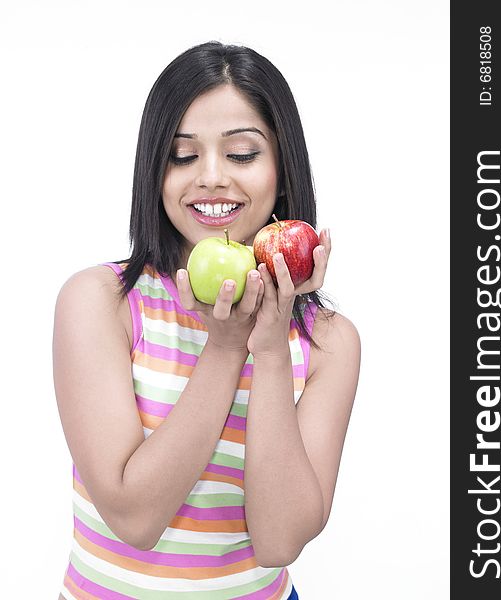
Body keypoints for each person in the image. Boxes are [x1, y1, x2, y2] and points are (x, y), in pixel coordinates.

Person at [54, 40, 360, 600]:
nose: (212, 177)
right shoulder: (101, 302)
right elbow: (135, 519)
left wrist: (267, 352)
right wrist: (223, 349)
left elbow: (278, 542)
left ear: (282, 170)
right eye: (182, 155)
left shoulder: (327, 342)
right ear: (155, 171)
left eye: (242, 154)